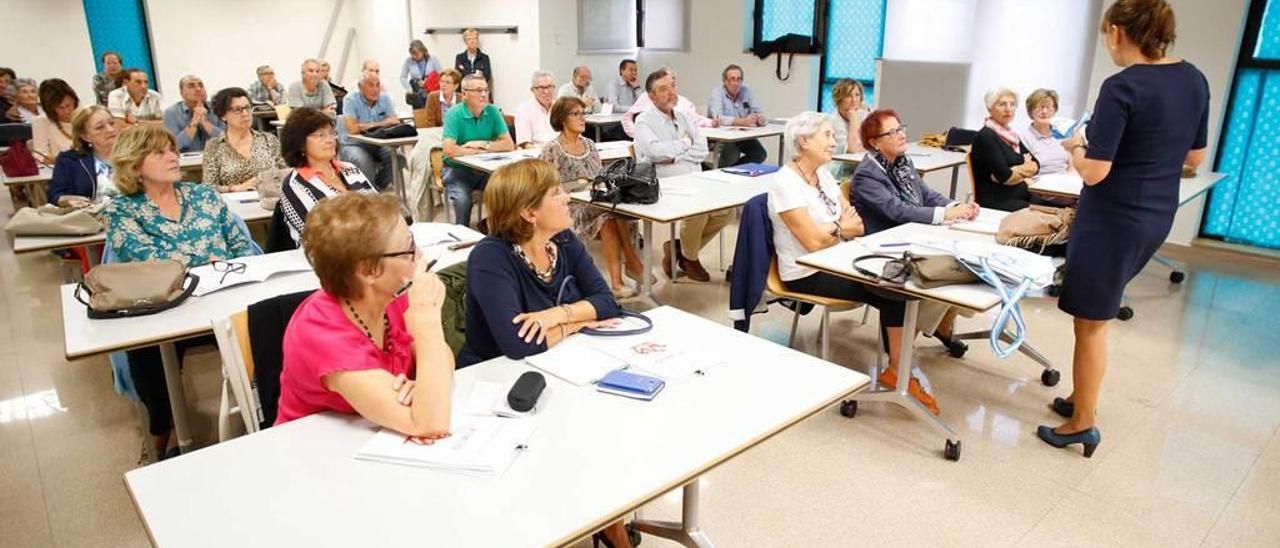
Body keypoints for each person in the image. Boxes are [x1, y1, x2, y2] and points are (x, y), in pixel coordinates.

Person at [1042, 0, 1208, 457]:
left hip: (1112, 218)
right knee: (1096, 314)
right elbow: (1194, 157)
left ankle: (1082, 423)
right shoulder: (1193, 78)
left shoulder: (1123, 86)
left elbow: (1094, 172)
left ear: (1116, 31)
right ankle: (1082, 396)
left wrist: (1075, 147)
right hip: (1156, 213)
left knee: (1091, 321)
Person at [460, 158, 631, 547]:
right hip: (498, 385)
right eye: (556, 193)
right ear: (528, 212)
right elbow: (520, 345)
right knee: (586, 432)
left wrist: (558, 315)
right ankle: (602, 523)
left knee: (611, 424)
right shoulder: (491, 256)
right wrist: (581, 321)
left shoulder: (565, 242)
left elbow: (608, 302)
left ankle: (605, 516)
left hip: (562, 367)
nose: (567, 196)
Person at [104, 124, 257, 459]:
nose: (172, 156)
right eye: (159, 152)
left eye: (172, 149)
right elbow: (146, 262)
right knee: (145, 354)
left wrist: (211, 264)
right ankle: (161, 435)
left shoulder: (203, 195)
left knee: (267, 325)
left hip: (222, 299)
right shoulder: (121, 210)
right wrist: (210, 262)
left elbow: (241, 245)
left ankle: (266, 415)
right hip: (168, 309)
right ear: (134, 165)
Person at [770, 112, 938, 413]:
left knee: (900, 286)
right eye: (827, 136)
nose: (834, 142)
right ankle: (900, 374)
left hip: (838, 257)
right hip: (807, 270)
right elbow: (812, 243)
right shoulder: (785, 183)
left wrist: (835, 230)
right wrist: (839, 228)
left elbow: (857, 225)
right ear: (804, 141)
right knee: (895, 291)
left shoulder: (823, 175)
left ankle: (897, 372)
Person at [275, 192, 455, 437]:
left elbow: (444, 359)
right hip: (314, 448)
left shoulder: (390, 295)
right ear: (368, 271)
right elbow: (429, 424)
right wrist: (428, 321)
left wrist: (426, 387)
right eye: (408, 249)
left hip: (366, 436)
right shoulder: (320, 331)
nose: (419, 255)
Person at [851, 109, 978, 357]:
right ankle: (903, 345)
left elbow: (926, 194)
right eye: (892, 132)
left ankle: (935, 325)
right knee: (943, 271)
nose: (901, 135)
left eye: (901, 128)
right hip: (887, 245)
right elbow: (897, 211)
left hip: (913, 235)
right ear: (875, 142)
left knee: (965, 262)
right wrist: (943, 216)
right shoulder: (867, 174)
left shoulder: (903, 162)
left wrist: (956, 207)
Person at [539, 96, 650, 298]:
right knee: (608, 212)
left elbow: (600, 177)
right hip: (570, 207)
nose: (582, 118)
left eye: (584, 113)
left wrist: (596, 187)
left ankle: (620, 279)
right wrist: (579, 188)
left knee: (611, 212)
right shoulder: (552, 149)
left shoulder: (590, 144)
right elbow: (546, 186)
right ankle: (630, 266)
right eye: (576, 114)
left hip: (595, 201)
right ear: (563, 119)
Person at [634, 68, 728, 283]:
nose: (671, 93)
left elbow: (702, 148)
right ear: (652, 96)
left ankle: (680, 252)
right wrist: (685, 145)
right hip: (665, 184)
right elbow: (656, 152)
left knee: (727, 211)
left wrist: (675, 154)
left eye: (673, 87)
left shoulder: (683, 116)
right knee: (699, 210)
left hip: (694, 179)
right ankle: (690, 258)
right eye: (663, 89)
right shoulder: (644, 121)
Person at [278, 107, 377, 243]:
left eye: (332, 133)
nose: (330, 140)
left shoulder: (350, 169)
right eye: (320, 135)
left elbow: (380, 209)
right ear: (300, 143)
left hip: (372, 245)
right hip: (328, 258)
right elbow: (318, 237)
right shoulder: (294, 185)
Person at [441, 73, 515, 226]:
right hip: (457, 171)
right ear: (465, 94)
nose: (483, 94)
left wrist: (482, 144)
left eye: (486, 90)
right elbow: (449, 150)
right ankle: (463, 234)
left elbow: (509, 144)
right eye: (478, 90)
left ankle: (497, 232)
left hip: (485, 170)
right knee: (463, 201)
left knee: (507, 191)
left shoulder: (493, 111)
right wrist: (480, 150)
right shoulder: (454, 114)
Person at [969, 87, 1041, 211]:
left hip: (1020, 194)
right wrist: (1024, 169)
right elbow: (1006, 177)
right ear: (990, 109)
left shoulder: (1011, 135)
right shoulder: (986, 136)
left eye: (1012, 104)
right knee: (1056, 214)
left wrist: (1016, 171)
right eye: (1002, 104)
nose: (1008, 109)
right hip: (998, 200)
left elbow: (1036, 165)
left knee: (1066, 208)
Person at [203, 87, 286, 192]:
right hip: (233, 204)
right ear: (223, 115)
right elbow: (207, 188)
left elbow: (286, 174)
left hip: (269, 200)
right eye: (237, 110)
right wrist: (236, 188)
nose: (245, 114)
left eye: (247, 108)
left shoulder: (268, 140)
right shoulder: (214, 146)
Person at [339, 73, 400, 191]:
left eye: (377, 85)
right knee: (363, 161)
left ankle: (377, 186)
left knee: (397, 158)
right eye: (371, 85)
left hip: (378, 143)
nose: (375, 89)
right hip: (353, 143)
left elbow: (395, 121)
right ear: (360, 87)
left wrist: (363, 126)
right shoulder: (350, 100)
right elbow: (352, 129)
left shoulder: (385, 98)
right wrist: (382, 123)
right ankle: (369, 196)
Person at [48, 105, 120, 205]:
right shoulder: (70, 160)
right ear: (85, 136)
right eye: (100, 127)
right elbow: (55, 196)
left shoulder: (135, 155)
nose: (110, 129)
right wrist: (70, 201)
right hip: (89, 216)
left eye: (111, 123)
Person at [621, 68, 716, 138]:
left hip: (683, 149)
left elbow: (695, 119)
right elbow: (627, 118)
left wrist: (711, 122)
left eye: (673, 83)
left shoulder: (684, 102)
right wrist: (639, 134)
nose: (671, 87)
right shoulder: (647, 97)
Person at [708, 64, 767, 166]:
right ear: (725, 81)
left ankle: (732, 172)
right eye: (732, 79)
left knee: (760, 154)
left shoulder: (747, 91)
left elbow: (757, 111)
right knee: (731, 155)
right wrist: (742, 121)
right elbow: (718, 117)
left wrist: (759, 119)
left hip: (742, 134)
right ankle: (725, 172)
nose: (736, 83)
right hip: (722, 135)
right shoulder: (717, 93)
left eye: (739, 79)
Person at [162, 75, 224, 153]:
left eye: (201, 85)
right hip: (185, 162)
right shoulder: (171, 113)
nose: (198, 89)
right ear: (181, 93)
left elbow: (229, 141)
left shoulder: (217, 108)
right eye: (191, 86)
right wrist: (194, 123)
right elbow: (173, 146)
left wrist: (205, 123)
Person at [1019, 88, 1071, 175]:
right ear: (1030, 112)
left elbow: (1072, 166)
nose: (1044, 111)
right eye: (1040, 107)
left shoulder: (1063, 134)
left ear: (1055, 111)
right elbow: (1025, 172)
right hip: (1038, 185)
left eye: (1048, 107)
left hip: (1063, 184)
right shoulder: (1022, 137)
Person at [826, 78, 871, 181]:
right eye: (848, 96)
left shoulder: (863, 115)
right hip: (839, 170)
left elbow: (874, 144)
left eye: (857, 95)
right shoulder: (833, 121)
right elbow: (854, 150)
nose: (854, 100)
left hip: (861, 166)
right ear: (839, 98)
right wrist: (854, 119)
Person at [30, 79, 79, 165]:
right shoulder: (41, 121)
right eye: (60, 108)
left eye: (68, 105)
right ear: (50, 109)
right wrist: (54, 160)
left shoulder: (85, 115)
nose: (67, 111)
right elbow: (39, 154)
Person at [514, 70, 558, 148]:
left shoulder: (561, 108)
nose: (547, 91)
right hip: (537, 155)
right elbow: (525, 144)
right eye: (541, 88)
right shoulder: (523, 110)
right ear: (532, 90)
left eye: (549, 87)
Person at [401, 40, 443, 108]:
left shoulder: (433, 59)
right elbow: (402, 77)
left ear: (423, 51)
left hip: (431, 91)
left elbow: (441, 74)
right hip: (417, 94)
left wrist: (427, 82)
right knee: (419, 114)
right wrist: (409, 88)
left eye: (417, 54)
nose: (415, 56)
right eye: (412, 54)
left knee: (432, 111)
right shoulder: (408, 61)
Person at [454, 28, 494, 99]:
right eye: (469, 39)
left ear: (477, 40)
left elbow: (486, 76)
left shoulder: (484, 58)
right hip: (464, 93)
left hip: (480, 93)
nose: (472, 41)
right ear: (465, 41)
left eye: (474, 38)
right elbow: (458, 76)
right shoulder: (459, 57)